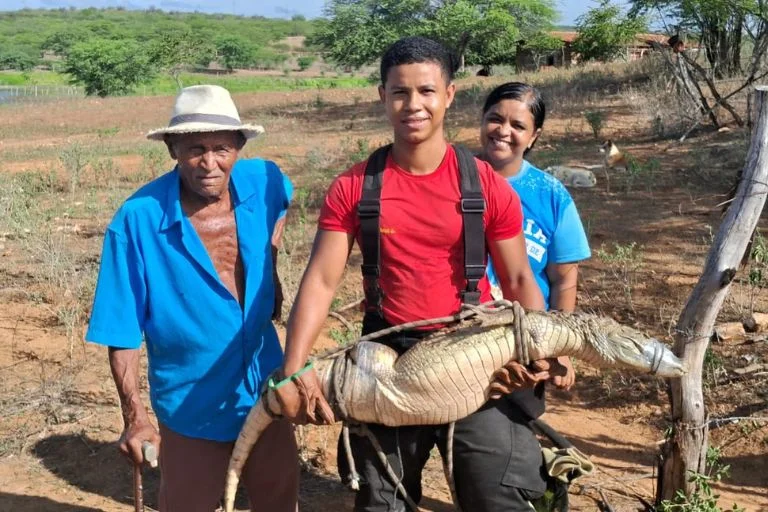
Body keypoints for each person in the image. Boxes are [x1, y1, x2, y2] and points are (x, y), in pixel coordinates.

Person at [273, 37, 569, 512]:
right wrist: (293, 368)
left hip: (475, 354)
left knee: (500, 495)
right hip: (388, 360)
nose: (414, 105)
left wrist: (545, 352)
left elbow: (517, 280)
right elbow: (322, 281)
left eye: (427, 91)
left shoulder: (486, 184)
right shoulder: (354, 186)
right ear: (382, 96)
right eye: (400, 92)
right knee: (383, 502)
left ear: (449, 95)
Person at [85, 84, 298, 512]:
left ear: (239, 147)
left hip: (266, 387)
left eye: (222, 148)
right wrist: (135, 418)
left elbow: (283, 203)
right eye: (194, 148)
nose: (209, 162)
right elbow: (122, 333)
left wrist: (271, 269)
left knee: (278, 500)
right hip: (190, 404)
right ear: (172, 150)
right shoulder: (136, 221)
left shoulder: (264, 181)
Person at [479, 81, 592, 506]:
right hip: (457, 337)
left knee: (507, 449)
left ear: (534, 136)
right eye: (495, 118)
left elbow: (564, 280)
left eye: (517, 124)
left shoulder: (550, 195)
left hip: (526, 345)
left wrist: (560, 351)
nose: (503, 131)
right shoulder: (455, 178)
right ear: (481, 121)